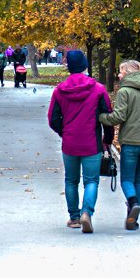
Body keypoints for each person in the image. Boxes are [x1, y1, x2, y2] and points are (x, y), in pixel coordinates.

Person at [48, 50, 113, 233]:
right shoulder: (99, 89)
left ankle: (74, 218)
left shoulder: (59, 90)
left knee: (71, 180)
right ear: (85, 66)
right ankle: (87, 213)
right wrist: (107, 140)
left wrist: (65, 131)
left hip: (69, 143)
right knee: (91, 180)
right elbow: (107, 117)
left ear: (68, 67)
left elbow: (53, 119)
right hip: (91, 143)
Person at [99, 60, 140, 230]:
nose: (118, 75)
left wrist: (101, 117)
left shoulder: (124, 92)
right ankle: (133, 219)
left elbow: (119, 117)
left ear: (128, 73)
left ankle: (133, 203)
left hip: (131, 141)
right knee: (139, 180)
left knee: (127, 179)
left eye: (121, 72)